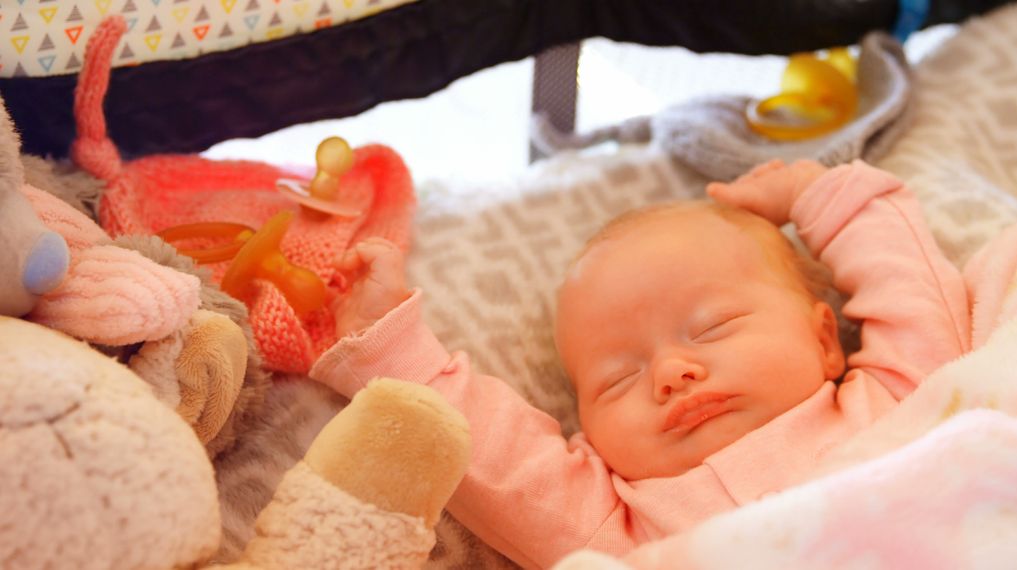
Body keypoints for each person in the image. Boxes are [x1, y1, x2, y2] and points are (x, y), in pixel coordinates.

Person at [310, 159, 971, 569]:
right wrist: (389, 344)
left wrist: (822, 197)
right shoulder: (631, 529)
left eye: (714, 328)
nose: (671, 374)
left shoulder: (901, 400)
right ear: (588, 438)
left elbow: (917, 293)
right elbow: (502, 468)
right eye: (618, 378)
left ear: (827, 339)